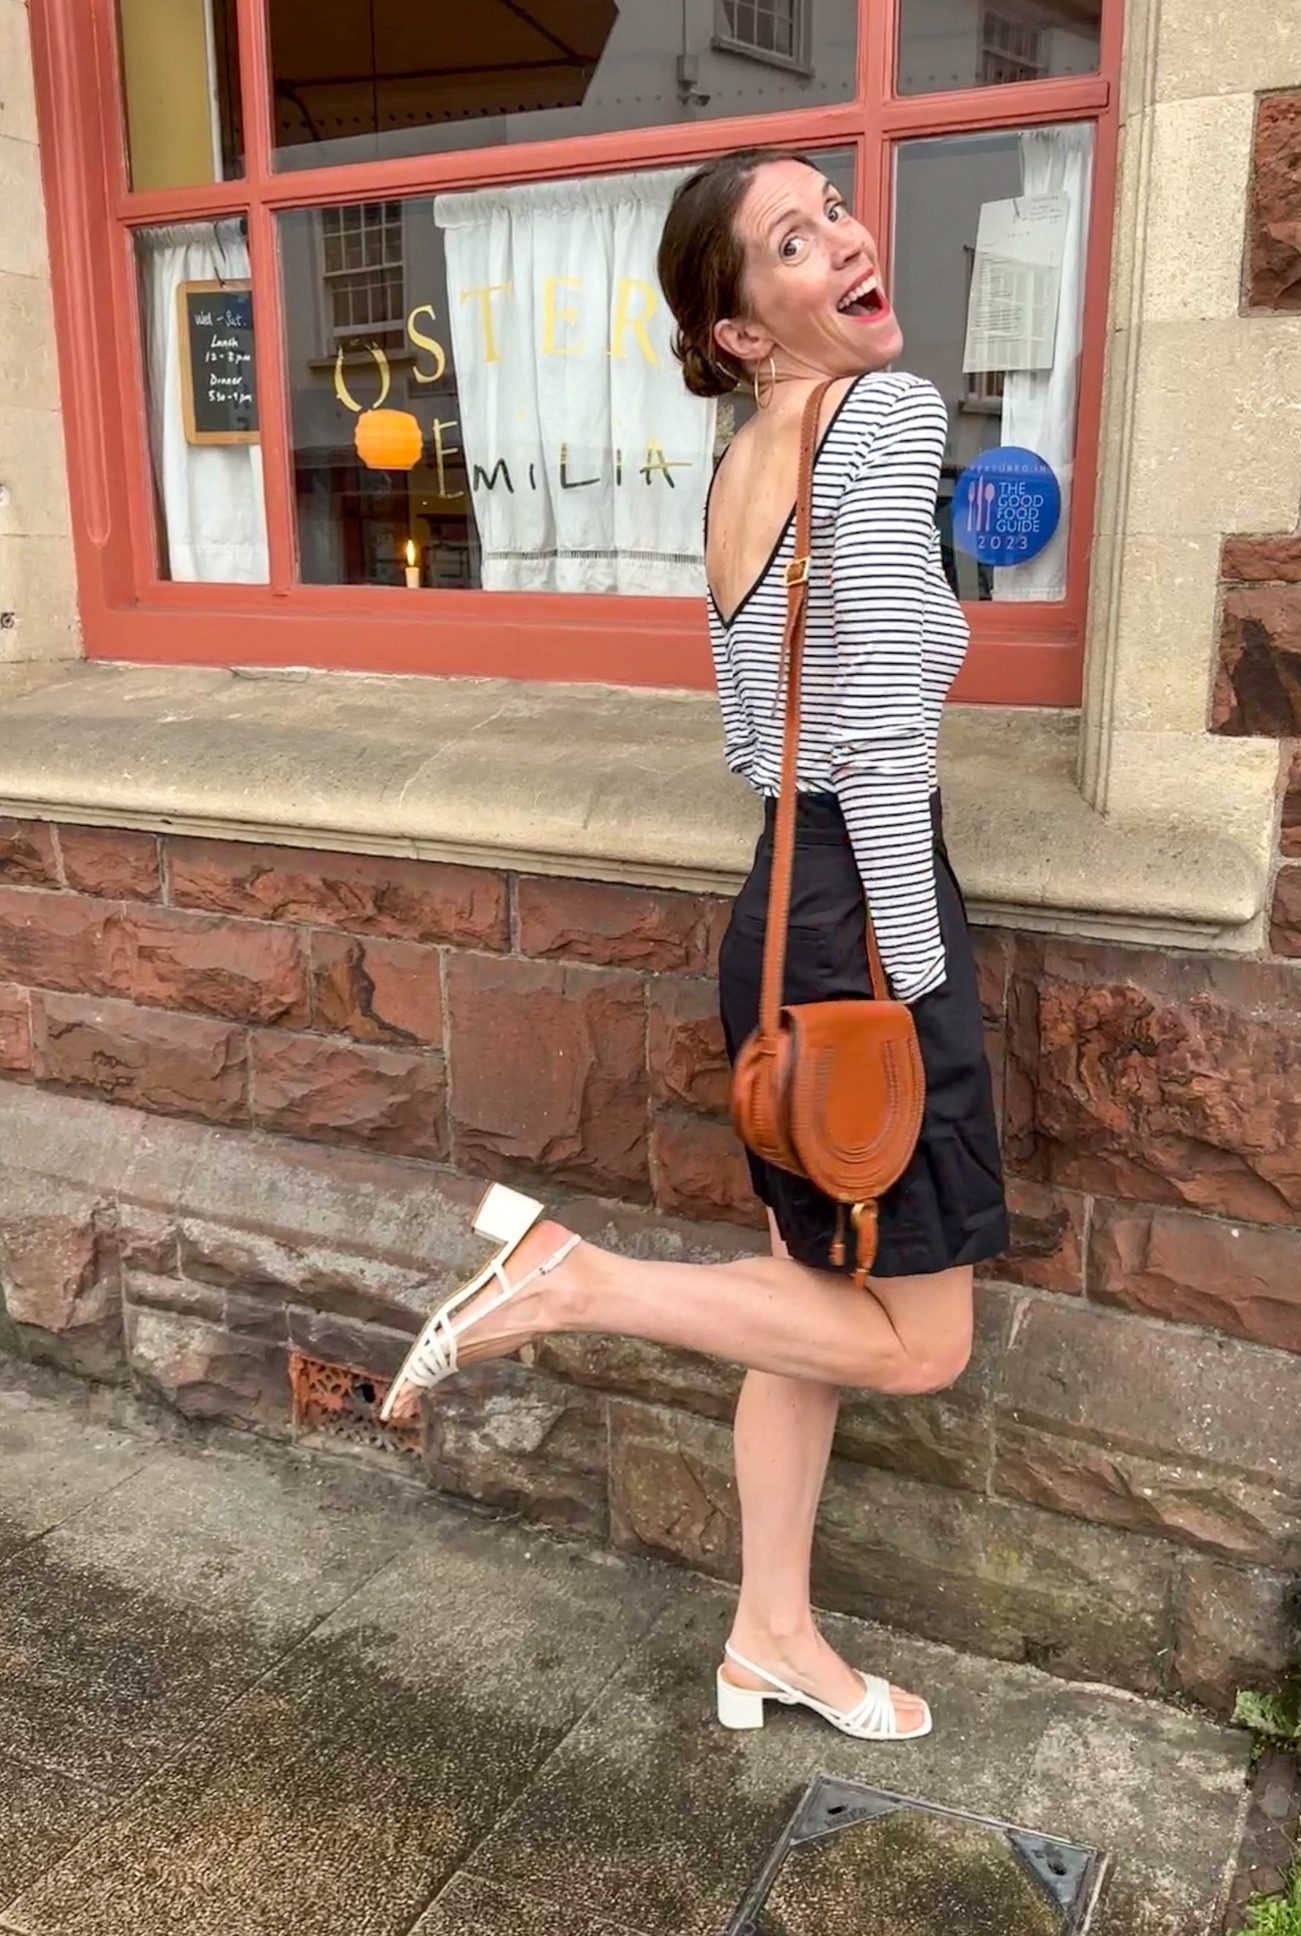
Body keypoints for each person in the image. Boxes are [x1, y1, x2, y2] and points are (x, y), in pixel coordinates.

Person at [380, 149, 1008, 1743]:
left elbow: (761, 738)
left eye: (834, 211)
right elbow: (870, 737)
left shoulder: (740, 470)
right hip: (868, 920)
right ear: (743, 330)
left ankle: (768, 1638)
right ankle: (576, 1282)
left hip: (780, 910)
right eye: (792, 243)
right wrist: (923, 982)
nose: (848, 239)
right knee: (920, 1342)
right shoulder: (882, 419)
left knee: (806, 1307)